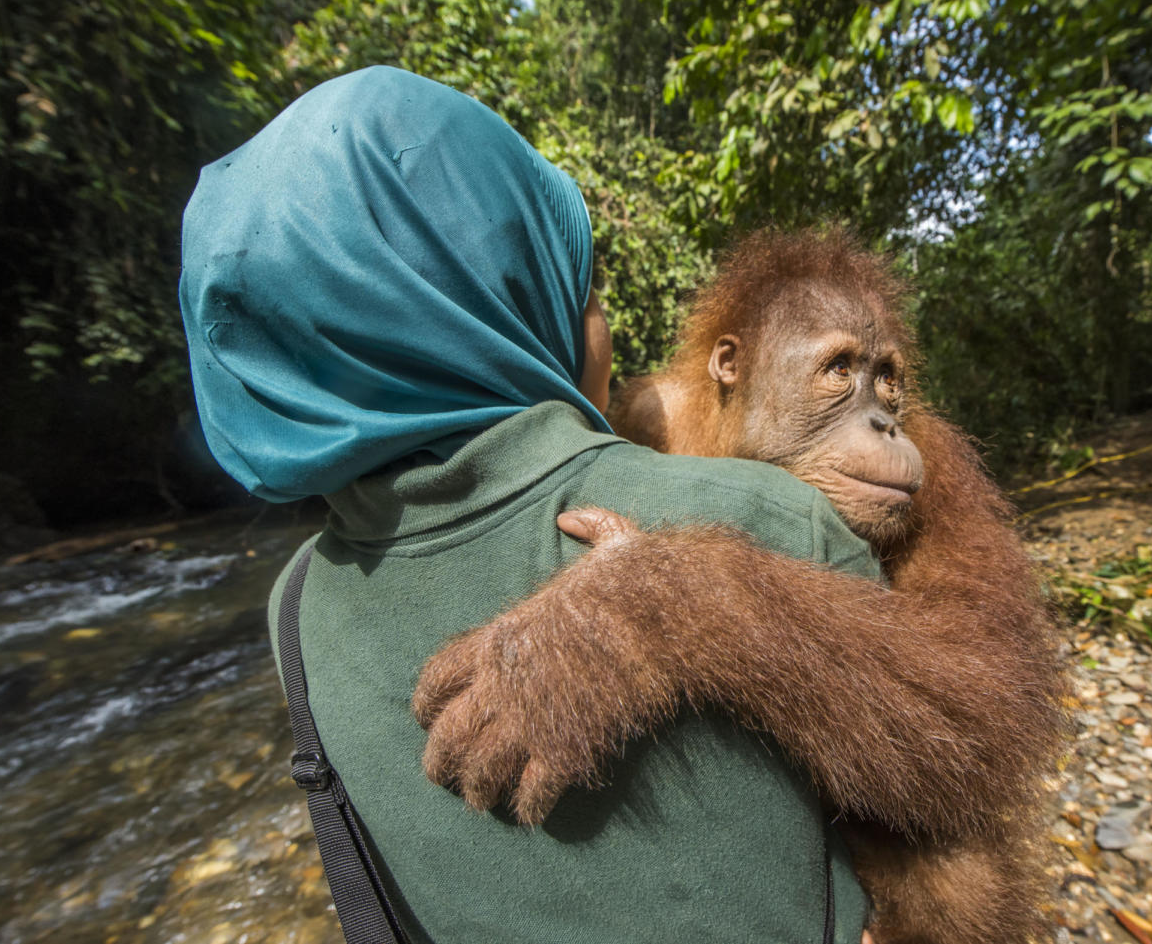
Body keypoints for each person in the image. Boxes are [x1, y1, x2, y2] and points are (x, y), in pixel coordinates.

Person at [178, 65, 881, 944]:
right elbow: (953, 781)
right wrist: (684, 592)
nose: (603, 326)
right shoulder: (776, 521)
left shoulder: (292, 611)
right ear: (503, 300)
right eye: (580, 289)